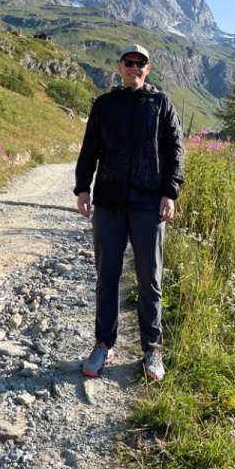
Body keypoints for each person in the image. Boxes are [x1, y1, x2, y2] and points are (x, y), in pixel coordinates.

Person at [74, 44, 183, 383]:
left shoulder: (161, 103)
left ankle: (152, 349)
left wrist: (170, 192)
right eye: (129, 63)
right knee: (106, 276)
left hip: (149, 204)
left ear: (148, 69)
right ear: (119, 67)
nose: (134, 68)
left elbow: (175, 149)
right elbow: (90, 147)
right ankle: (103, 344)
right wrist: (82, 188)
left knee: (150, 278)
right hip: (108, 202)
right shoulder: (104, 105)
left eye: (141, 64)